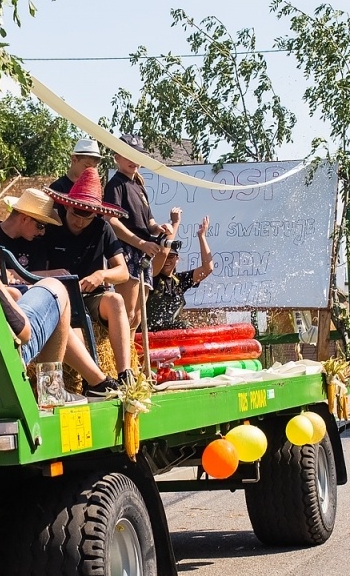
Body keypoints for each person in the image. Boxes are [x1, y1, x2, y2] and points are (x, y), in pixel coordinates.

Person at [0, 187, 118, 396]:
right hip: (13, 320)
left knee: (58, 307)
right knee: (57, 297)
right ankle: (88, 384)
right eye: (40, 225)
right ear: (24, 218)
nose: (42, 232)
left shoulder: (36, 243)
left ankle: (94, 382)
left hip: (22, 315)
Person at [33, 166, 136, 387]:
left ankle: (125, 374)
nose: (79, 221)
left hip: (92, 297)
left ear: (96, 214)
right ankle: (93, 381)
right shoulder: (52, 227)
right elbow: (34, 272)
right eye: (75, 214)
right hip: (60, 299)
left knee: (117, 300)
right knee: (74, 329)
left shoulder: (102, 228)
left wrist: (101, 275)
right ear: (67, 206)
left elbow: (123, 272)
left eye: (87, 217)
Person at [102, 135, 177, 325]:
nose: (134, 161)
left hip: (144, 252)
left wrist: (158, 227)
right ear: (117, 157)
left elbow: (148, 221)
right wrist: (140, 243)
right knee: (127, 314)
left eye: (138, 156)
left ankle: (132, 352)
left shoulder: (139, 186)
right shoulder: (115, 185)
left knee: (137, 317)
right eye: (128, 155)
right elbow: (110, 220)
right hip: (127, 250)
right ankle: (122, 353)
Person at [147, 216, 214, 331]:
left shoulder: (180, 281)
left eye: (171, 256)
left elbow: (207, 269)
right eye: (166, 257)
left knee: (184, 324)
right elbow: (163, 253)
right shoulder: (152, 276)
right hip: (151, 335)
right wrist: (175, 222)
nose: (167, 260)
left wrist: (201, 237)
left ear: (177, 259)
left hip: (173, 336)